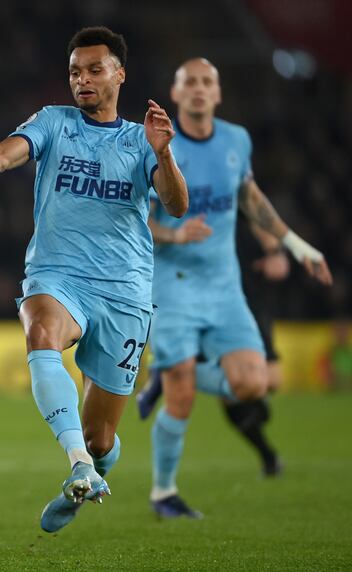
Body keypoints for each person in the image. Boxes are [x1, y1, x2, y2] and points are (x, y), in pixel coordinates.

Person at [0, 26, 188, 533]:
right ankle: (78, 464)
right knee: (41, 330)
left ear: (119, 74)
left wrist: (164, 153)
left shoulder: (141, 139)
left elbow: (175, 203)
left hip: (125, 289)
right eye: (75, 71)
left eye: (94, 69)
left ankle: (90, 468)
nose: (82, 79)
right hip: (57, 276)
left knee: (102, 437)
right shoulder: (54, 122)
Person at [139, 58, 332, 519]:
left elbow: (250, 198)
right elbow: (138, 219)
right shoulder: (158, 147)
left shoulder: (235, 140)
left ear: (218, 93)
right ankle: (164, 493)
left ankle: (168, 374)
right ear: (177, 93)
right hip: (173, 283)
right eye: (191, 83)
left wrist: (296, 246)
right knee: (183, 396)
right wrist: (174, 234)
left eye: (209, 82)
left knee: (253, 384)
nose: (201, 89)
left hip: (225, 287)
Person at [137, 219, 288, 478]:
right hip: (197, 293)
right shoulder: (170, 192)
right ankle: (268, 455)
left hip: (245, 293)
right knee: (232, 394)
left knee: (270, 381)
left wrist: (275, 252)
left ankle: (167, 370)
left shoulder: (231, 184)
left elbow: (257, 211)